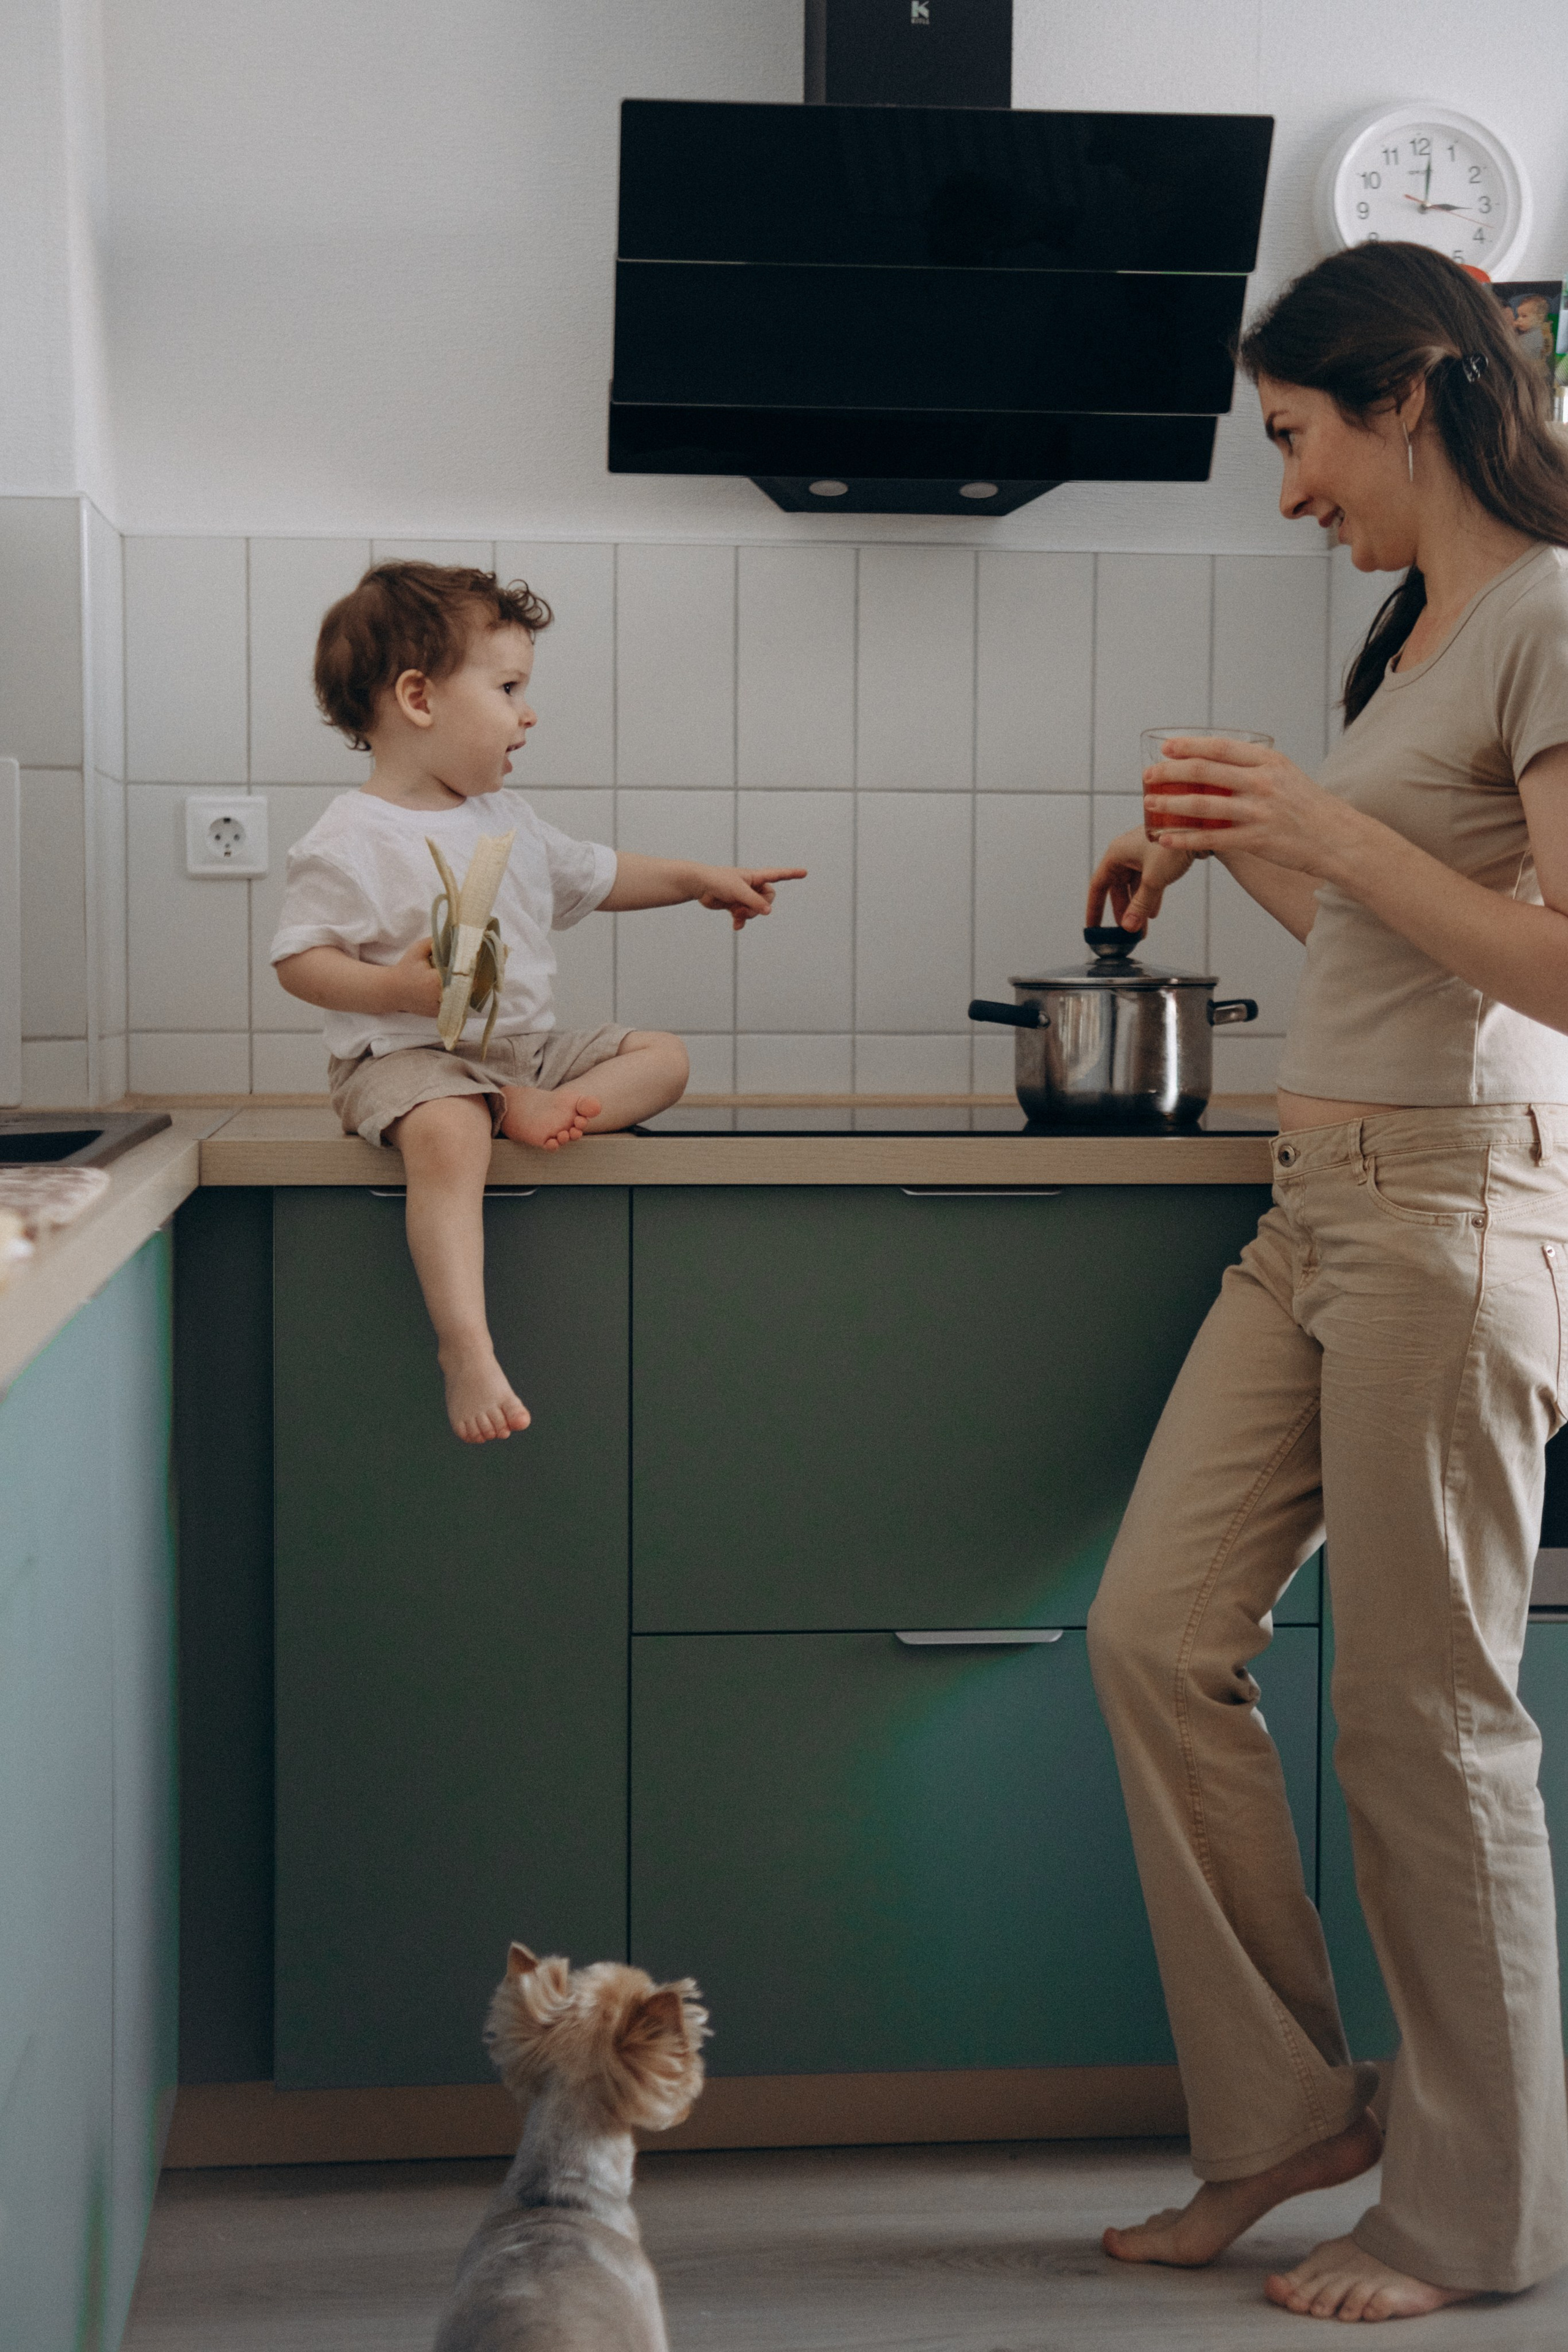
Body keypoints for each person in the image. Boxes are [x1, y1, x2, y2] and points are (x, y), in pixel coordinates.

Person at [1083, 241, 1568, 2323]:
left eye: (1293, 439)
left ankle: (1478, 2222)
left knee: (1423, 1721)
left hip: (1456, 1212)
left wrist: (1326, 830)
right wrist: (1231, 836)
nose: (1286, 492)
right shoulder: (1415, 638)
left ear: (1415, 394)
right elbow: (1386, 941)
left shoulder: (1556, 616)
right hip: (1323, 1201)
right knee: (1151, 1635)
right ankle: (1288, 2114)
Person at [272, 560, 803, 1444]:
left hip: (524, 1053)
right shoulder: (349, 838)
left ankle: (522, 1106)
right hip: (406, 1063)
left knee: (663, 1056)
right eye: (509, 686)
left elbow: (602, 874)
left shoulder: (505, 818)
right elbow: (300, 961)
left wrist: (698, 878)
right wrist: (393, 988)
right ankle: (467, 1347)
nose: (529, 712)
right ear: (418, 697)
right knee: (448, 1126)